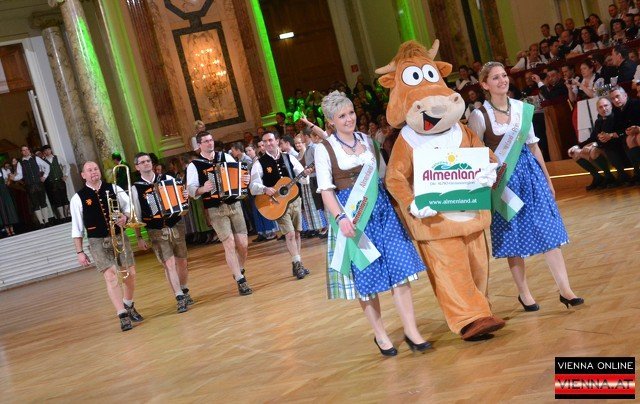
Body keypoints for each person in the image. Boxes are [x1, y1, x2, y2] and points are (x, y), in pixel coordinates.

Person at [314, 91, 430, 355]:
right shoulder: (324, 149)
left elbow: (383, 177)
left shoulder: (367, 140)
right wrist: (341, 218)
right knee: (367, 278)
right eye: (342, 116)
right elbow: (326, 191)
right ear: (331, 121)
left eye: (351, 113)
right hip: (352, 217)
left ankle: (411, 331)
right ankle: (380, 335)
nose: (349, 119)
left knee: (401, 270)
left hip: (381, 212)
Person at [468, 61, 583, 311]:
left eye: (504, 75)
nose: (503, 80)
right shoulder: (479, 116)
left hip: (530, 176)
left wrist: (547, 178)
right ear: (485, 84)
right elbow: (474, 153)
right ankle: (525, 294)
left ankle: (565, 289)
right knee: (513, 236)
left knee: (548, 230)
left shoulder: (522, 109)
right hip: (503, 183)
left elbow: (533, 146)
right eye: (496, 78)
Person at [70, 161, 143, 331]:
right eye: (89, 170)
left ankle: (128, 303)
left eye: (95, 169)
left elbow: (129, 207)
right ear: (83, 175)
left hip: (119, 236)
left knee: (130, 274)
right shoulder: (78, 198)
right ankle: (122, 315)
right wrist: (79, 251)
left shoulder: (114, 188)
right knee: (111, 277)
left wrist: (125, 217)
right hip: (97, 241)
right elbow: (77, 227)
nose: (93, 172)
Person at [186, 131, 253, 295]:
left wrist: (246, 179)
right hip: (215, 208)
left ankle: (239, 269)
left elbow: (240, 175)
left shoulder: (225, 157)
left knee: (243, 244)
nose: (210, 143)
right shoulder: (194, 165)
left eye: (211, 140)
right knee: (229, 243)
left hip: (234, 204)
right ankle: (240, 280)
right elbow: (191, 190)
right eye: (206, 141)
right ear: (199, 145)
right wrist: (203, 189)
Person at [131, 152, 192, 313]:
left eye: (148, 161)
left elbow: (182, 202)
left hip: (175, 224)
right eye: (142, 162)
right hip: (155, 229)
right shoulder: (136, 188)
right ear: (137, 167)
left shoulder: (167, 178)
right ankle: (179, 296)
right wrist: (139, 236)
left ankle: (184, 289)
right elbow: (136, 215)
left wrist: (185, 196)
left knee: (182, 261)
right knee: (169, 264)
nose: (146, 163)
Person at [250, 132, 312, 279]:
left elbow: (303, 179)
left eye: (271, 140)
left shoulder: (289, 157)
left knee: (297, 233)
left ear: (277, 141)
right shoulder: (259, 163)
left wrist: (305, 174)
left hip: (294, 200)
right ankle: (297, 264)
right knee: (289, 234)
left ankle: (298, 262)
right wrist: (264, 189)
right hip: (276, 203)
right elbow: (253, 186)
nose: (268, 143)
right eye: (265, 141)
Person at [567, 97, 619, 189]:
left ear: (611, 106)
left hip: (614, 149)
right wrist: (577, 146)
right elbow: (592, 138)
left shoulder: (616, 117)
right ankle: (597, 177)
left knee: (593, 151)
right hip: (601, 146)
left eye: (606, 105)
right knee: (575, 153)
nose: (604, 109)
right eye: (600, 107)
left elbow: (612, 139)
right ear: (597, 110)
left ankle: (609, 176)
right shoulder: (599, 121)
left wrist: (595, 144)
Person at [11, 145, 51, 228]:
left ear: (29, 150)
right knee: (35, 204)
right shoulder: (20, 163)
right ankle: (41, 223)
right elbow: (20, 175)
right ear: (21, 152)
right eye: (23, 150)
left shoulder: (36, 158)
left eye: (27, 149)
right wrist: (14, 178)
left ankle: (47, 221)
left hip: (39, 184)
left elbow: (47, 166)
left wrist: (44, 176)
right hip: (30, 186)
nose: (25, 151)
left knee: (43, 202)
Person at [609, 86, 640, 182]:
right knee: (628, 139)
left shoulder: (636, 104)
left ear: (625, 95)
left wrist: (637, 128)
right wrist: (624, 132)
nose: (616, 100)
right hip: (627, 134)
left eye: (617, 96)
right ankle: (637, 172)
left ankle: (637, 172)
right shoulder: (615, 110)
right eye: (613, 99)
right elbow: (617, 129)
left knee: (634, 138)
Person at [41, 145, 70, 223]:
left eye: (48, 149)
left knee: (64, 197)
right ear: (44, 152)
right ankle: (62, 216)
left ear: (50, 150)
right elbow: (42, 172)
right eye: (45, 150)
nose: (47, 151)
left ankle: (67, 215)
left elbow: (66, 166)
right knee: (57, 199)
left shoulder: (57, 157)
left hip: (60, 181)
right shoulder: (43, 161)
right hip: (51, 183)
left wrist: (66, 175)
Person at [0, 163, 18, 237]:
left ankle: (12, 229)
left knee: (8, 209)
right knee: (2, 211)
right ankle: (7, 231)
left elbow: (8, 180)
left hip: (5, 192)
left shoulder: (2, 170)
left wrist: (8, 181)